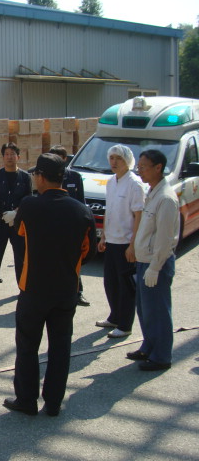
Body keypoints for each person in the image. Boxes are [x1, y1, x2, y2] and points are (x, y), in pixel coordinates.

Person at [3, 153, 96, 416]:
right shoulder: (82, 211)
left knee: (27, 345)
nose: (34, 178)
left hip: (33, 288)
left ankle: (26, 399)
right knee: (60, 347)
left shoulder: (29, 205)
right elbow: (88, 253)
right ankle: (53, 402)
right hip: (66, 289)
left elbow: (20, 232)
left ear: (42, 177)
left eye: (35, 174)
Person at [128, 150, 179, 371]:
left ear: (158, 168)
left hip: (155, 264)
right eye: (138, 166)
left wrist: (155, 267)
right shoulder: (152, 192)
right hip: (144, 260)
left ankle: (161, 356)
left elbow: (165, 238)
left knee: (158, 311)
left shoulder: (166, 198)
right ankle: (148, 346)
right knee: (145, 310)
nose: (139, 170)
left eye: (143, 167)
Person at [96, 145, 145, 339]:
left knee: (126, 286)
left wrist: (133, 245)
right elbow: (109, 210)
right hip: (112, 240)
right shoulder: (111, 182)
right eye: (112, 158)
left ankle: (125, 325)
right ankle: (115, 316)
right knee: (111, 282)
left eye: (119, 159)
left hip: (126, 242)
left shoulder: (134, 183)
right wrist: (103, 236)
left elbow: (139, 215)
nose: (114, 162)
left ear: (128, 161)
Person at [0, 142, 32, 299]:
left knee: (21, 255)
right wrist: (4, 214)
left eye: (12, 154)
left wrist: (15, 213)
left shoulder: (25, 177)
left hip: (18, 222)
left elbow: (28, 197)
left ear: (18, 157)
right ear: (3, 157)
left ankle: (23, 286)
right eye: (7, 154)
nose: (9, 157)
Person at [48, 145, 89, 307]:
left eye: (58, 158)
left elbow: (81, 202)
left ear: (65, 159)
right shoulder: (47, 178)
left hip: (71, 226)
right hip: (53, 226)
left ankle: (78, 292)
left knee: (73, 261)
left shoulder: (74, 177)